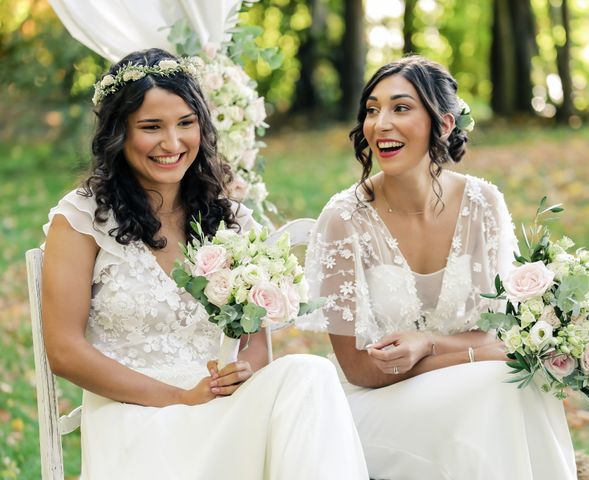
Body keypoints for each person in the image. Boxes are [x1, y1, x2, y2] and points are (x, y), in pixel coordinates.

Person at [41, 48, 368, 480]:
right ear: (119, 134)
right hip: (135, 419)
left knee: (310, 372)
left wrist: (239, 373)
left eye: (185, 124)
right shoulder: (84, 219)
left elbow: (255, 348)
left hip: (223, 408)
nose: (172, 143)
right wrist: (180, 397)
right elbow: (65, 352)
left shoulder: (230, 219)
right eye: (151, 127)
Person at [298, 56, 577, 479]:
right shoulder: (343, 219)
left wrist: (428, 343)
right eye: (372, 110)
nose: (381, 124)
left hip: (473, 390)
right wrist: (473, 357)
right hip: (377, 405)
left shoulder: (483, 204)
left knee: (512, 388)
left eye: (401, 108)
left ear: (443, 124)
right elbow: (358, 369)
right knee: (501, 385)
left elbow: (489, 328)